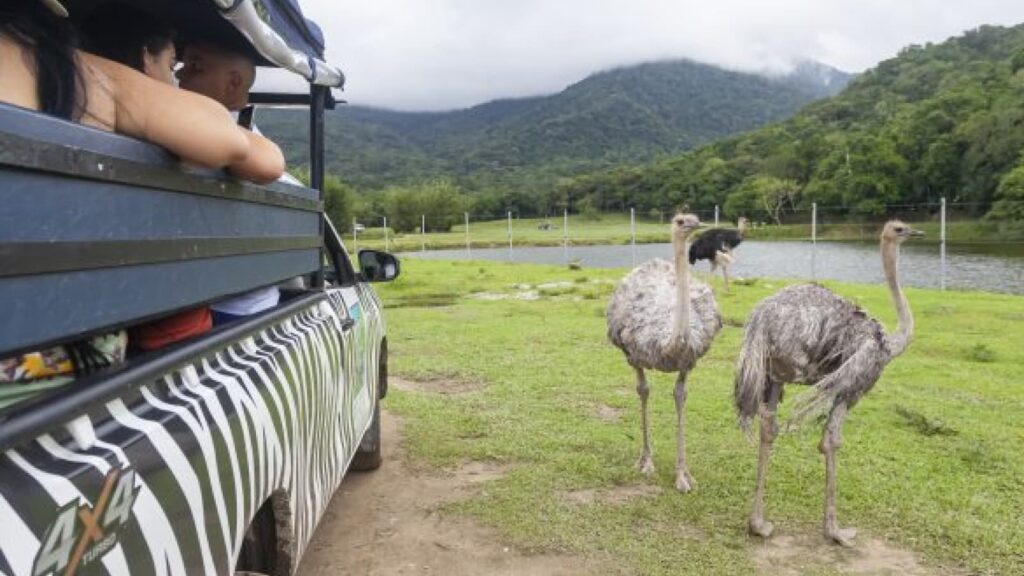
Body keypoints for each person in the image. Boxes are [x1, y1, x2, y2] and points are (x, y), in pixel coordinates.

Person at [177, 40, 295, 324]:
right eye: (180, 65)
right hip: (232, 300)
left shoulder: (213, 135)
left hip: (229, 309)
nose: (179, 75)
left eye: (194, 66)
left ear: (232, 84)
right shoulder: (252, 137)